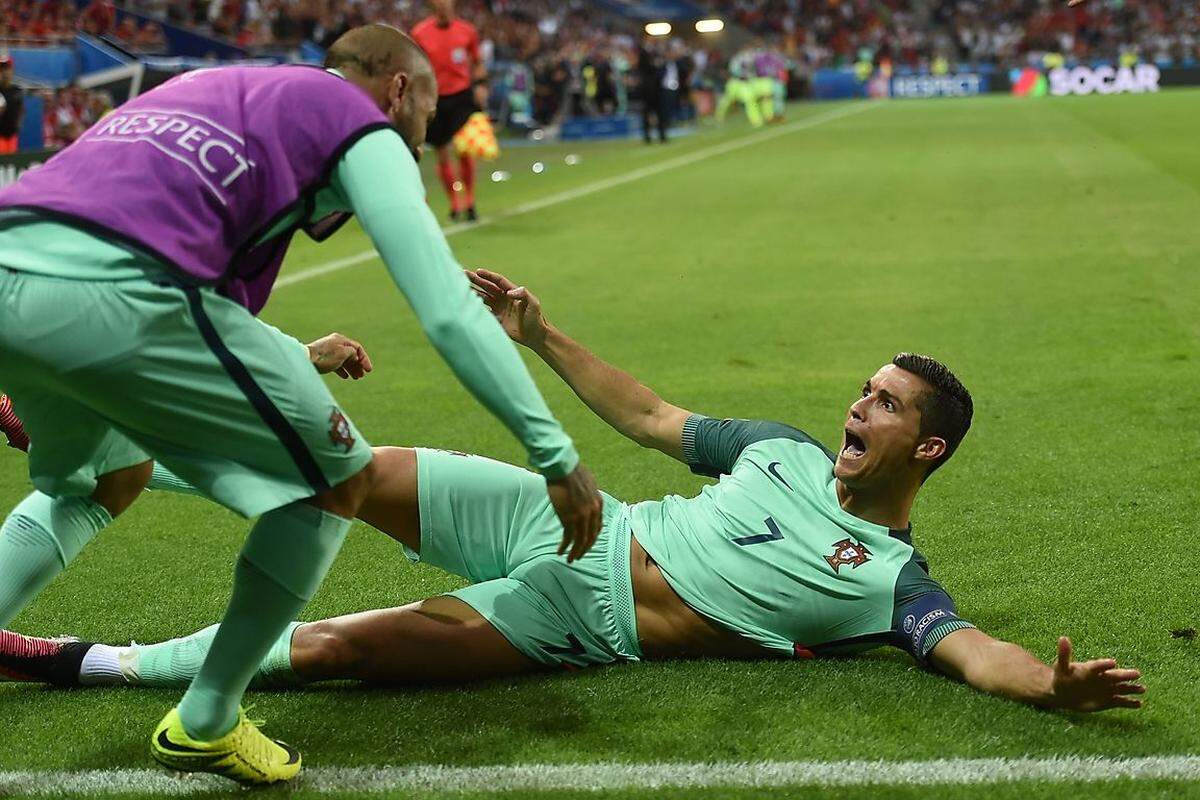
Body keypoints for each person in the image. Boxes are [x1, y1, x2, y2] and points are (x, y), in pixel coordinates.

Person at [1, 268, 1146, 715]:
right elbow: (651, 418)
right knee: (340, 471)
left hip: (576, 619)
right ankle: (108, 437)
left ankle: (74, 659)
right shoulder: (781, 448)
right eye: (865, 390)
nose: (859, 407)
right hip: (570, 517)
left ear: (928, 450)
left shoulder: (892, 582)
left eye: (886, 404)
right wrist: (545, 335)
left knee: (330, 650)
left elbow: (970, 648)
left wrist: (1047, 682)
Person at [0, 25, 601, 785]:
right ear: (398, 90)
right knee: (340, 480)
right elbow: (447, 307)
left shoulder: (214, 94)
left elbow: (154, 246)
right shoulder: (359, 123)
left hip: (12, 268)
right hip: (123, 296)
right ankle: (207, 718)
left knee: (100, 481)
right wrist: (555, 455)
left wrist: (295, 353)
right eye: (425, 112)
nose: (422, 134)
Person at [412, 0, 487, 222]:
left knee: (463, 148)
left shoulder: (467, 31)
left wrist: (482, 85)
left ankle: (470, 201)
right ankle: (455, 203)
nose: (444, 6)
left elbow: (477, 61)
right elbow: (415, 65)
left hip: (461, 95)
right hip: (435, 98)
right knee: (442, 151)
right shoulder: (420, 33)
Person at [0, 56, 23, 155]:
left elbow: (21, 109)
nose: (5, 72)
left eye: (7, 68)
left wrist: (18, 124)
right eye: (2, 69)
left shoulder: (17, 90)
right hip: (0, 136)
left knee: (12, 163)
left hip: (13, 136)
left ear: (12, 70)